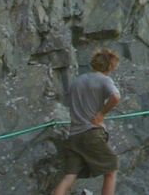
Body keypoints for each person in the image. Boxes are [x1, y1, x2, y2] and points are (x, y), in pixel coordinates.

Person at [53, 49, 121, 195]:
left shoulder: (77, 81)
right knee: (111, 169)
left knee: (69, 176)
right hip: (91, 133)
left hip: (74, 135)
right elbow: (116, 97)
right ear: (110, 66)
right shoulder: (104, 79)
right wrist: (101, 114)